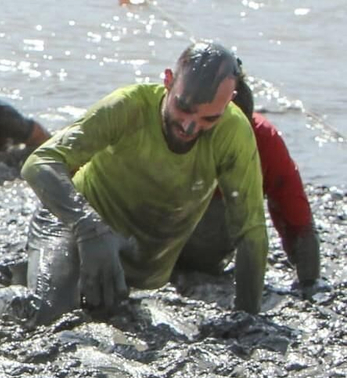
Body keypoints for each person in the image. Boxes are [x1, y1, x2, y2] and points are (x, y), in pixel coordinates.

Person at [21, 42, 267, 323]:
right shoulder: (129, 106)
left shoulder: (234, 132)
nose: (189, 127)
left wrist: (248, 318)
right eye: (183, 107)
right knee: (47, 315)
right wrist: (88, 227)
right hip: (73, 224)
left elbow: (251, 229)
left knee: (104, 313)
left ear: (230, 100)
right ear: (168, 81)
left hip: (137, 254)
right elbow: (39, 162)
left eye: (209, 118)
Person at [176, 73, 319, 285]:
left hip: (209, 241)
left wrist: (309, 282)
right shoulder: (176, 130)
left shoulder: (264, 139)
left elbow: (296, 214)